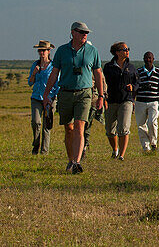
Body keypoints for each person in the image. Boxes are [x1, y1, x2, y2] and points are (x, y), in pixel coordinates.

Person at [43, 22, 104, 174]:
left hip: (85, 93)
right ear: (73, 33)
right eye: (81, 32)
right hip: (65, 92)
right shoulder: (62, 51)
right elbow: (54, 73)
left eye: (86, 32)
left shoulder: (92, 51)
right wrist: (46, 94)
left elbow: (98, 74)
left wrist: (101, 95)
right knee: (69, 128)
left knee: (79, 126)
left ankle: (77, 162)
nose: (85, 34)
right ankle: (71, 160)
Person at [103, 41, 137, 161]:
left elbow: (137, 82)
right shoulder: (108, 67)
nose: (127, 51)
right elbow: (103, 83)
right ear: (117, 52)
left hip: (126, 100)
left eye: (128, 49)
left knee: (123, 128)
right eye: (124, 49)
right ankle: (115, 149)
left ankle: (122, 155)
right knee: (110, 130)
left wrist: (133, 87)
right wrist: (103, 98)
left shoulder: (131, 67)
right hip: (111, 100)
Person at [27, 40, 55, 155]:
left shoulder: (54, 66)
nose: (41, 52)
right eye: (40, 50)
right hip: (36, 97)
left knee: (46, 125)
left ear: (49, 51)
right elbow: (30, 82)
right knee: (36, 122)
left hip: (49, 98)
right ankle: (36, 144)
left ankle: (44, 151)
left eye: (43, 50)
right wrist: (34, 73)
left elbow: (57, 83)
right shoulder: (35, 64)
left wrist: (51, 97)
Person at [135, 51, 159, 153]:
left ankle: (153, 142)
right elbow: (136, 88)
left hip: (154, 101)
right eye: (146, 58)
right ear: (143, 59)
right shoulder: (138, 72)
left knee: (152, 122)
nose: (148, 60)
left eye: (150, 58)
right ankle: (146, 147)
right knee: (141, 124)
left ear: (153, 59)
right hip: (140, 101)